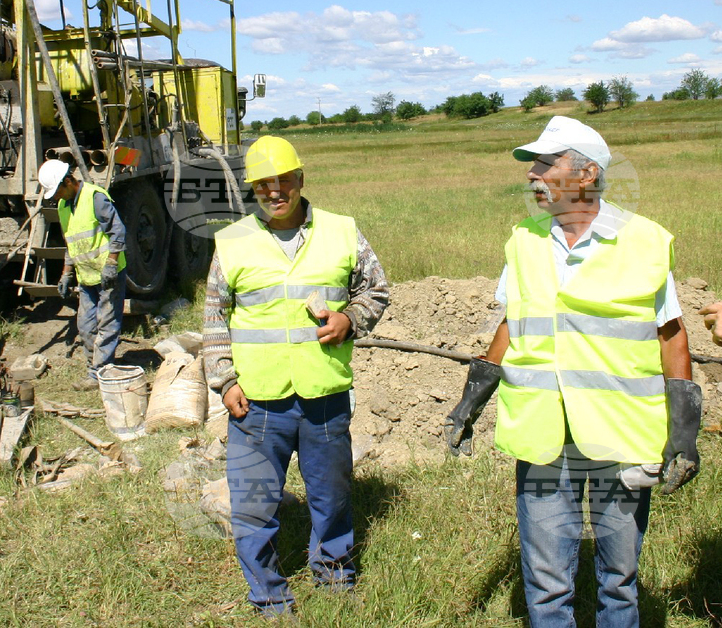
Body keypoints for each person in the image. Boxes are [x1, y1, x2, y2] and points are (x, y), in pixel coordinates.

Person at [445, 116, 702, 628]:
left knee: (619, 577)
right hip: (544, 430)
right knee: (546, 579)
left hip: (622, 432)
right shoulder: (524, 239)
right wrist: (470, 400)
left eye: (545, 164)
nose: (532, 176)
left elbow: (670, 334)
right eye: (533, 166)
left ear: (586, 175)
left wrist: (684, 429)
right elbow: (512, 323)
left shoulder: (645, 241)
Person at [203, 136, 389, 617]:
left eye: (283, 180)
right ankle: (268, 593)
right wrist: (225, 381)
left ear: (300, 180)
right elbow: (213, 319)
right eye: (264, 184)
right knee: (253, 506)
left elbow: (377, 290)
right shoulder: (233, 241)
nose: (275, 191)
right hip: (256, 400)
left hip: (323, 393)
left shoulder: (342, 231)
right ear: (254, 191)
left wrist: (351, 319)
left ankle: (334, 579)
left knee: (331, 498)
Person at [38, 159, 127, 391]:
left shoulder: (95, 197)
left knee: (107, 324)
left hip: (109, 275)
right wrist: (66, 274)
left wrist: (111, 264)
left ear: (68, 181)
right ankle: (95, 366)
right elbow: (71, 242)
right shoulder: (63, 206)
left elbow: (118, 231)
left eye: (57, 192)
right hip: (86, 276)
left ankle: (99, 372)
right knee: (86, 326)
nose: (56, 197)